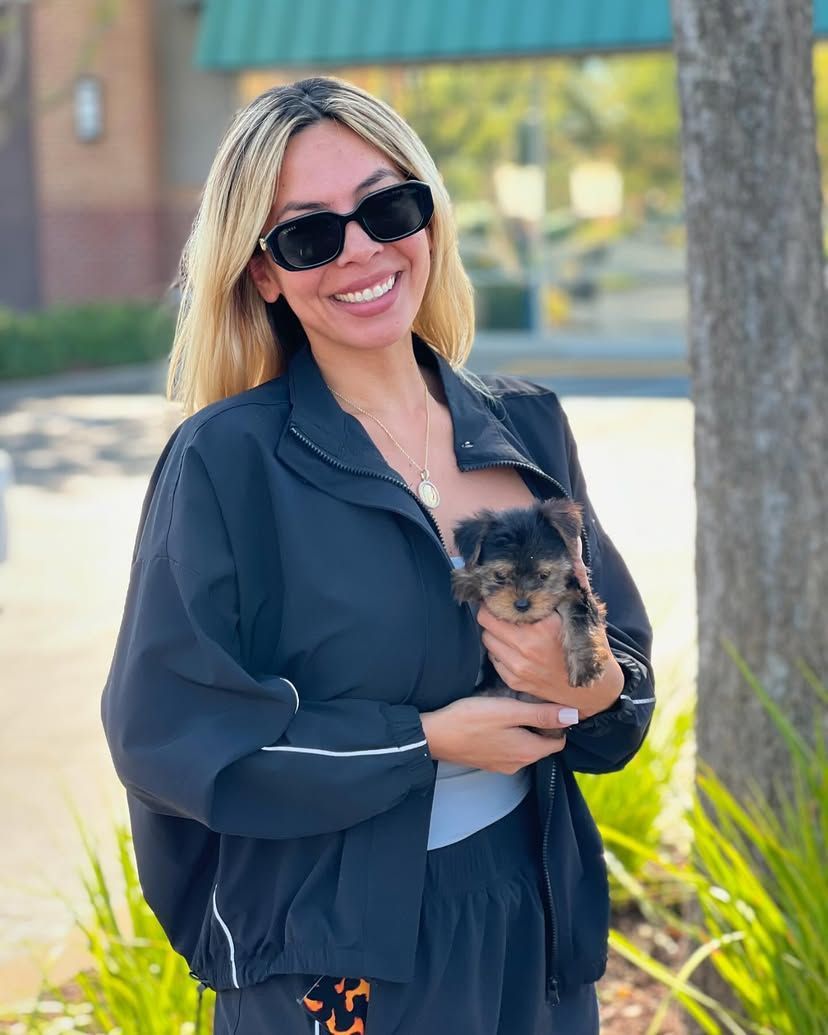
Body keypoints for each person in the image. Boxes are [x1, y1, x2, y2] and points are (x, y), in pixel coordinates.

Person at [101, 76, 655, 1035]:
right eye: (308, 233)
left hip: (535, 922)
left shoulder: (523, 428)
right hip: (341, 952)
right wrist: (429, 739)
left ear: (429, 220)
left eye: (386, 207)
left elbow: (621, 692)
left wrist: (595, 682)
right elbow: (170, 732)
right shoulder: (229, 464)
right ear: (263, 272)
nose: (360, 249)